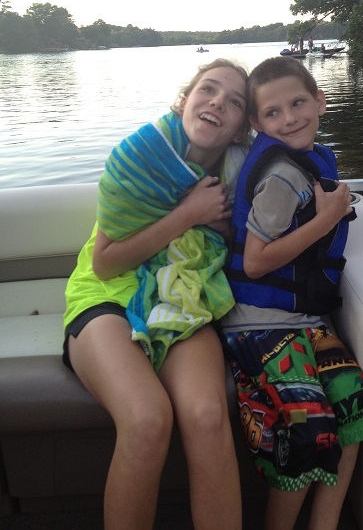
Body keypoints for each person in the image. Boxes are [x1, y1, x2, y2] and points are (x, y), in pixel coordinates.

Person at [63, 58, 250, 530]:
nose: (216, 104)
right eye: (207, 90)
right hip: (107, 295)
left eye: (234, 102)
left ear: (239, 128)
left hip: (182, 297)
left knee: (208, 416)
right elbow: (106, 261)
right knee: (147, 420)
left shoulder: (238, 174)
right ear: (185, 100)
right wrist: (188, 214)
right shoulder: (145, 157)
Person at [220, 57, 363, 530]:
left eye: (298, 103)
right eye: (272, 113)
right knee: (310, 429)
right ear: (256, 123)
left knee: (355, 402)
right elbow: (256, 261)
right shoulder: (282, 177)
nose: (288, 118)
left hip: (303, 320)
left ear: (320, 102)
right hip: (257, 322)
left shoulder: (308, 158)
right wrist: (328, 219)